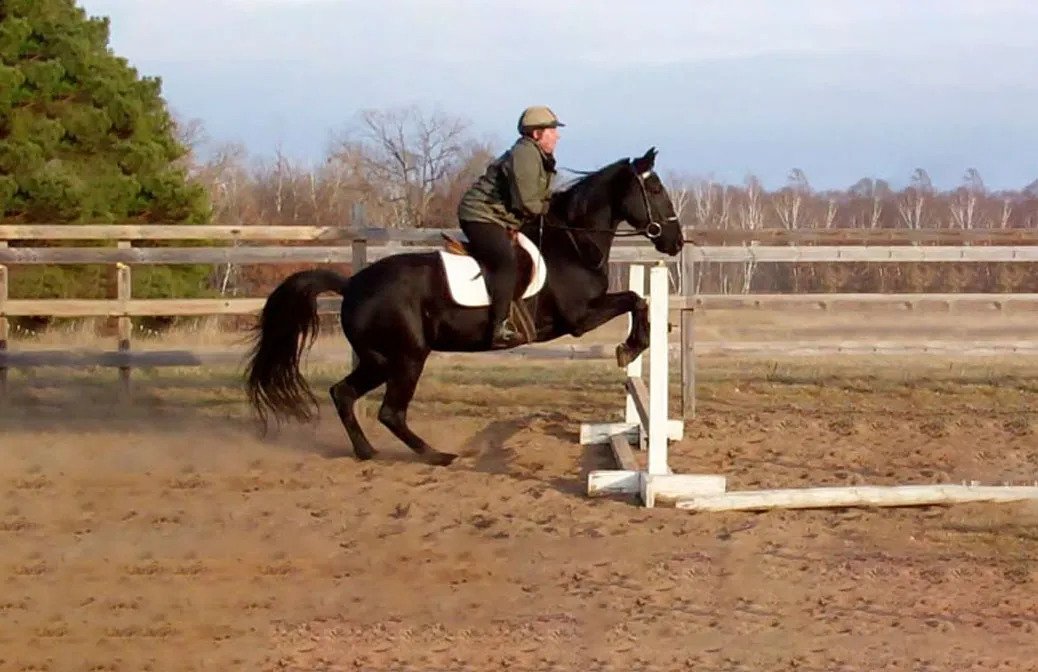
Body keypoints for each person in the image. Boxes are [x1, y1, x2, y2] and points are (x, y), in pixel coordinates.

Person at [457, 105, 563, 348]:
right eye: (552, 131)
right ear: (536, 134)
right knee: (506, 261)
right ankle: (498, 327)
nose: (557, 136)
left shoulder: (537, 155)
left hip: (497, 217)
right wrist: (551, 209)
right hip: (480, 216)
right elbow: (528, 202)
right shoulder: (525, 154)